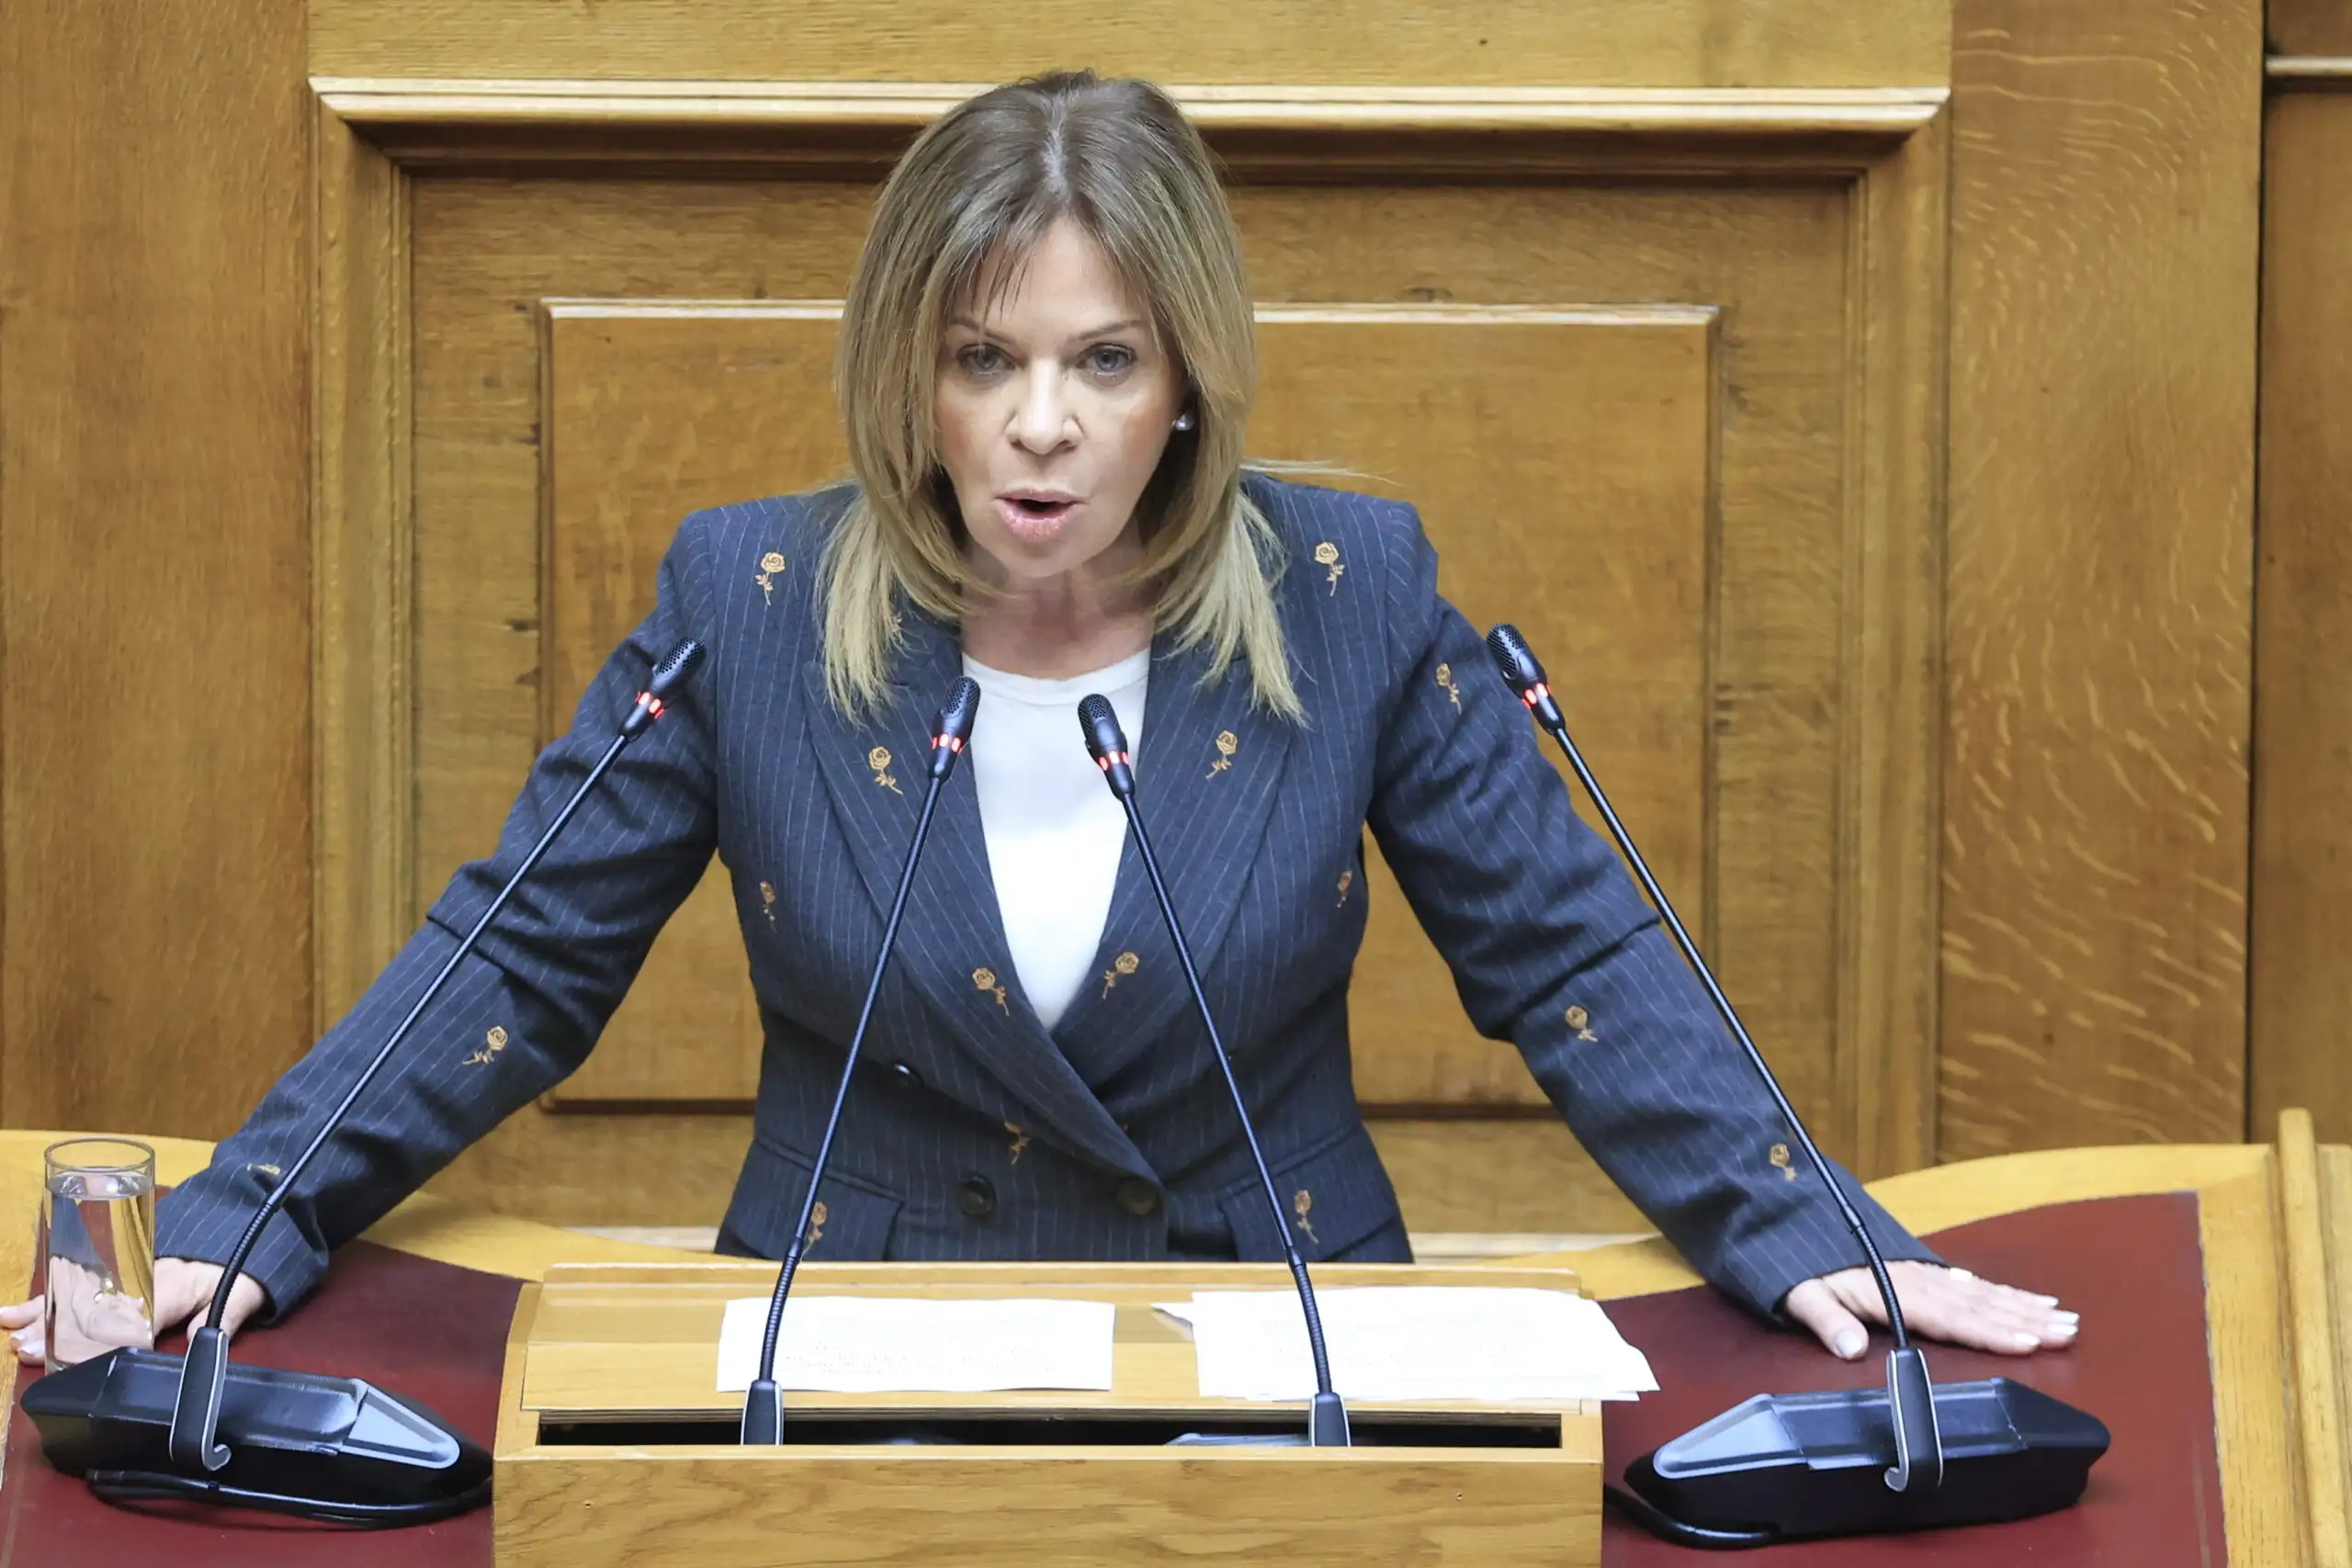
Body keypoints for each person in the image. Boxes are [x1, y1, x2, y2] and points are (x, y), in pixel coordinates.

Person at [6, 71, 2075, 1369]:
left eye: (1103, 360)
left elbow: (1569, 951)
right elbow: (516, 954)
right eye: (982, 357)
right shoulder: (750, 597)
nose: (1039, 426)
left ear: (1185, 380)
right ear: (909, 372)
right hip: (855, 1332)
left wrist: (1800, 1217)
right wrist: (248, 1214)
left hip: (1276, 1326)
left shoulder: (1347, 590)